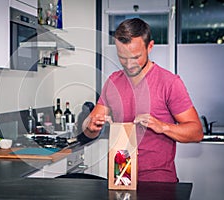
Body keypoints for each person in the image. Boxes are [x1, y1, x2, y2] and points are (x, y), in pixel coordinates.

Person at [82, 18, 203, 182]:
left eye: (135, 57)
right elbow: (89, 130)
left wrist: (163, 127)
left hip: (159, 182)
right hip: (120, 178)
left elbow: (196, 132)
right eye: (122, 57)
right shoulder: (113, 82)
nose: (129, 64)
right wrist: (91, 126)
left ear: (150, 46)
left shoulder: (170, 82)